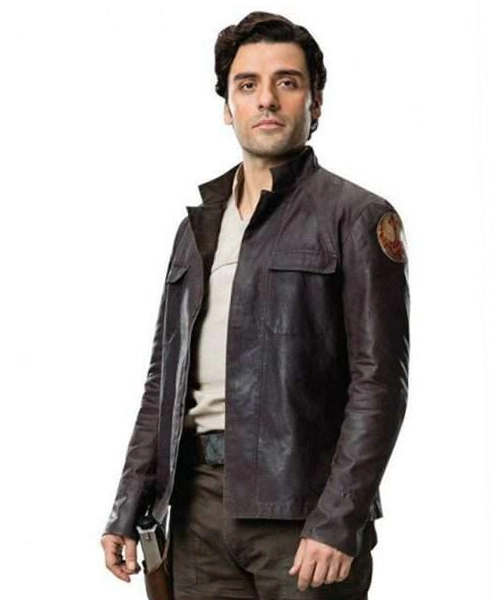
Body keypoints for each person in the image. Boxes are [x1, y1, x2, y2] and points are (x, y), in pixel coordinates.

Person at [100, 10, 410, 600]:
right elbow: (163, 382)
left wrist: (338, 519)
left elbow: (380, 385)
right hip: (194, 511)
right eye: (247, 85)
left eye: (287, 82)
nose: (266, 99)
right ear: (228, 106)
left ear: (316, 103)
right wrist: (130, 501)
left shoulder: (358, 217)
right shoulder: (196, 229)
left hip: (303, 514)